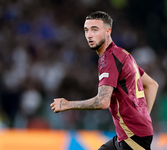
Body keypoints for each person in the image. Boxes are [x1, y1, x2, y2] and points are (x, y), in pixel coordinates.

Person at [50, 11, 159, 150]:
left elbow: (103, 101)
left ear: (108, 31)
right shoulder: (122, 54)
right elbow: (152, 85)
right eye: (86, 30)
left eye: (95, 29)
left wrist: (67, 104)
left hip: (134, 139)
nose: (89, 35)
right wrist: (141, 119)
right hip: (128, 135)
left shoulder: (109, 59)